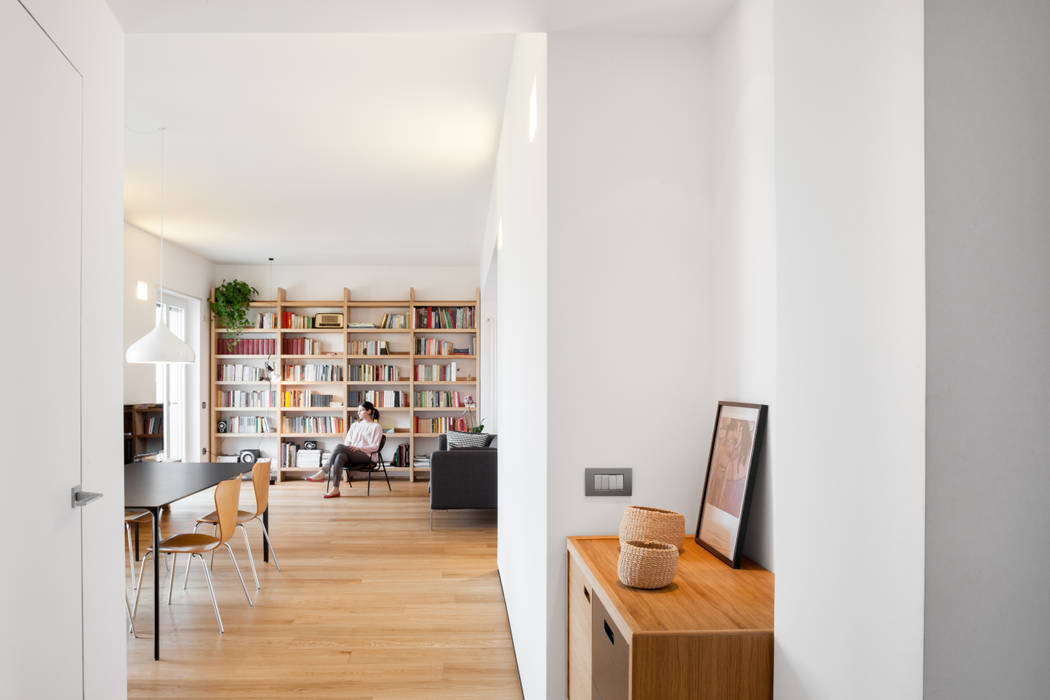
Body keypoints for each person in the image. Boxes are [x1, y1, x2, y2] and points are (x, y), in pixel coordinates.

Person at [305, 402, 383, 498]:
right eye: (357, 411)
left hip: (367, 456)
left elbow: (375, 446)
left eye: (361, 410)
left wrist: (359, 448)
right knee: (340, 456)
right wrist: (350, 449)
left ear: (369, 411)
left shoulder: (376, 427)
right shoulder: (355, 425)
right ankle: (335, 489)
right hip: (353, 454)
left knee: (339, 446)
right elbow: (347, 442)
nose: (358, 413)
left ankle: (323, 472)